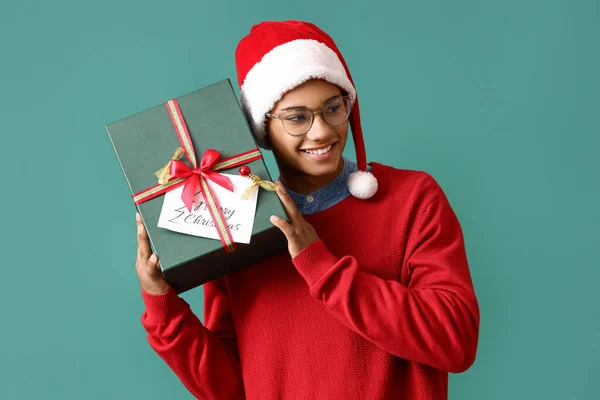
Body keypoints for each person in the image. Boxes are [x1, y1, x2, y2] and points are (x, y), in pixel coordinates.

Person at [134, 20, 480, 400]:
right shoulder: (239, 220)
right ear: (263, 127)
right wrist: (161, 305)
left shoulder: (412, 199)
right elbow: (229, 387)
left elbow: (456, 340)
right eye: (297, 118)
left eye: (333, 108)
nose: (322, 132)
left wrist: (322, 268)